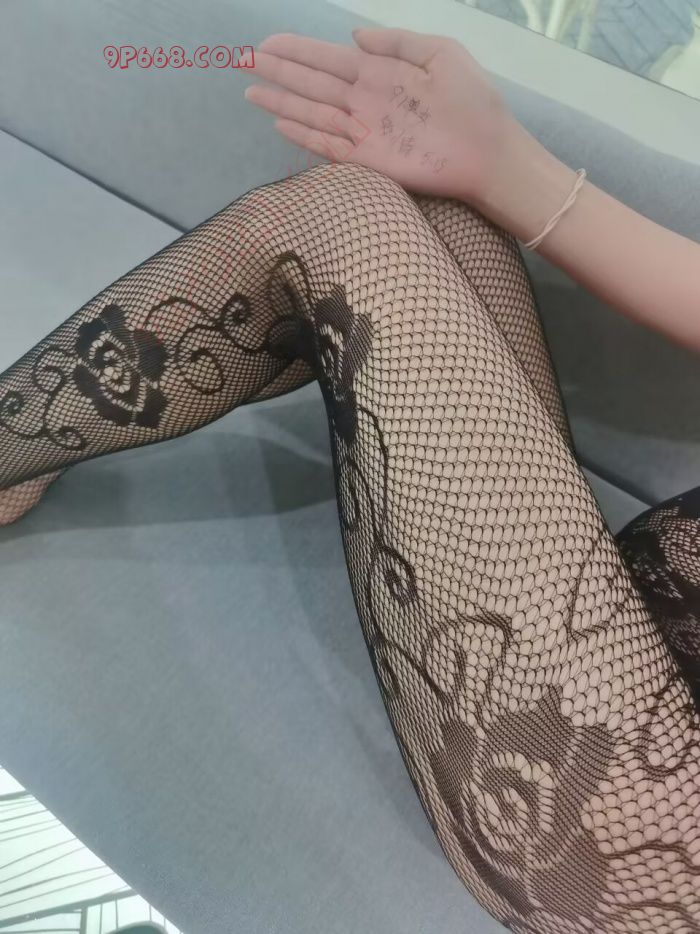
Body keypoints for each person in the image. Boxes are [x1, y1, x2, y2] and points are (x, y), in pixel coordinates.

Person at [1, 26, 699, 933]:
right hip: (634, 625)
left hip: (644, 836)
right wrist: (506, 167)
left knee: (338, 219)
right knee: (441, 213)